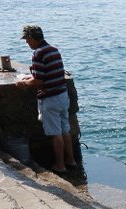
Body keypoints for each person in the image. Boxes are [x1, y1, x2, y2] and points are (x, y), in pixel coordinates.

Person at [17, 24, 76, 173]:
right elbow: (48, 73)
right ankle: (71, 160)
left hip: (50, 98)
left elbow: (38, 81)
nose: (27, 43)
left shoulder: (38, 53)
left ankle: (60, 165)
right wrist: (30, 77)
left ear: (31, 38)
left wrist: (23, 83)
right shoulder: (54, 50)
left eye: (27, 40)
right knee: (65, 130)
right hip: (62, 95)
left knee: (55, 133)